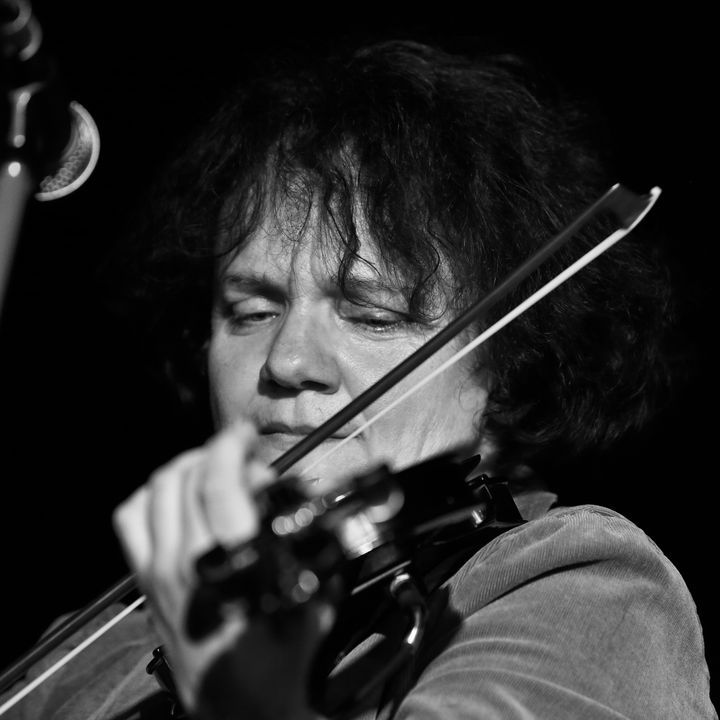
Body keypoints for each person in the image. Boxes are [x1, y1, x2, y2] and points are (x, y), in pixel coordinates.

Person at [1, 38, 715, 719]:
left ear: (506, 363)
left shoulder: (577, 586)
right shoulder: (95, 651)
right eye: (250, 311)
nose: (287, 362)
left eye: (372, 315)